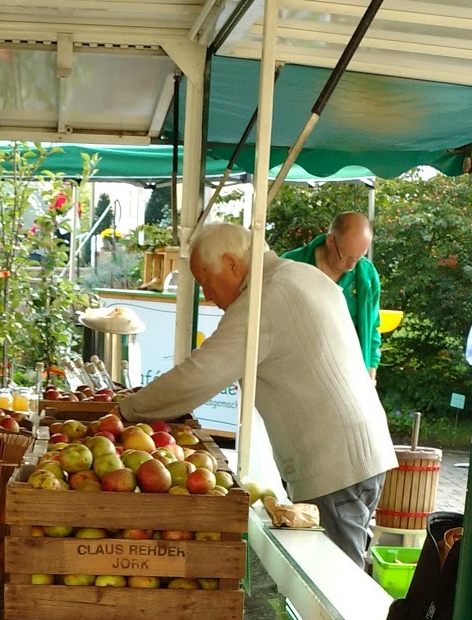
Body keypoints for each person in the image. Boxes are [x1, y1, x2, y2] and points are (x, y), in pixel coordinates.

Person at [115, 222, 397, 564]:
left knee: (336, 581)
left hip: (335, 461)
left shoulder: (265, 297)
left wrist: (127, 411)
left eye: (206, 282)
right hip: (359, 452)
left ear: (232, 265)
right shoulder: (299, 275)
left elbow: (200, 375)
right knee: (341, 565)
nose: (209, 297)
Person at [284, 210, 381, 378]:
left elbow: (372, 330)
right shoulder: (290, 265)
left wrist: (370, 377)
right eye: (346, 256)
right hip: (297, 373)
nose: (351, 265)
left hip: (349, 374)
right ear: (330, 241)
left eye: (358, 258)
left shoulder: (367, 275)